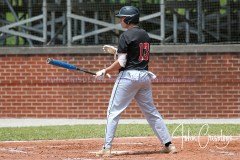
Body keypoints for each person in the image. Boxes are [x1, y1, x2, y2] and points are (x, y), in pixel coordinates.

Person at [95, 6, 177, 157]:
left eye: (122, 18)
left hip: (128, 77)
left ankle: (106, 149)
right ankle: (169, 145)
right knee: (151, 112)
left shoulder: (125, 35)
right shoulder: (145, 34)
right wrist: (116, 51)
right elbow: (134, 54)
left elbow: (122, 62)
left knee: (113, 112)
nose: (120, 20)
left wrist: (105, 70)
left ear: (128, 19)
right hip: (144, 77)